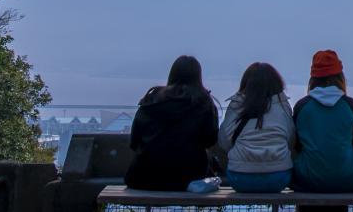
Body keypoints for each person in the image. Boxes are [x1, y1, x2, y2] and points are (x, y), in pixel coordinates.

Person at [126, 55, 218, 190]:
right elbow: (210, 140)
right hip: (189, 179)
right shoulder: (204, 102)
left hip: (143, 177)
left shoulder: (151, 101)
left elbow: (134, 142)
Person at [291, 49, 353, 192]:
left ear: (312, 80)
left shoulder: (302, 107)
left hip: (308, 179)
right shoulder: (351, 106)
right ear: (340, 78)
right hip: (348, 177)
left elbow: (296, 145)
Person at [216, 63, 296, 193]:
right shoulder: (282, 105)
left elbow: (224, 141)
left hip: (240, 178)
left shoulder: (237, 104)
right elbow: (290, 139)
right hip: (278, 178)